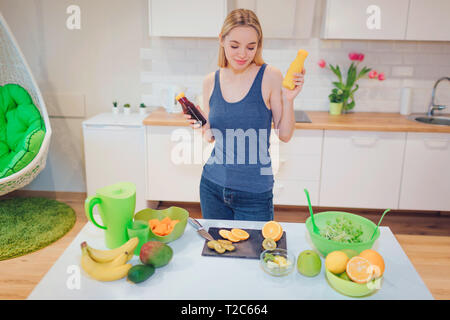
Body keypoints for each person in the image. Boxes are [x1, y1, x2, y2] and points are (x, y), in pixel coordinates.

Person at [184, 8, 305, 221]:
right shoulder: (210, 81)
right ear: (221, 40)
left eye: (251, 47)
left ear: (259, 45)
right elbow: (212, 137)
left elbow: (284, 134)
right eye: (234, 45)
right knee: (216, 250)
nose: (242, 54)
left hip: (255, 194)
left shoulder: (270, 76)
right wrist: (203, 126)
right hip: (212, 186)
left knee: (254, 252)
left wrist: (289, 99)